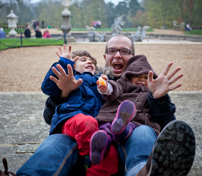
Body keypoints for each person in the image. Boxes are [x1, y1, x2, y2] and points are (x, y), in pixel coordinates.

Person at [3, 35, 194, 176]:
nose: (118, 55)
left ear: (133, 57)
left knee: (143, 132)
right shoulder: (93, 80)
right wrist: (63, 94)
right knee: (59, 139)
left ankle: (144, 171)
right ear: (105, 57)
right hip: (90, 148)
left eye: (125, 51)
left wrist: (158, 98)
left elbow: (168, 123)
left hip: (128, 144)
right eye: (112, 51)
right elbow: (49, 118)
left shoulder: (146, 80)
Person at [41, 46, 119, 175]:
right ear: (72, 66)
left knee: (110, 153)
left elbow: (113, 99)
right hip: (71, 118)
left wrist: (107, 87)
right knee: (86, 123)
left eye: (92, 62)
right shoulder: (71, 78)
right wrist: (65, 63)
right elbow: (47, 88)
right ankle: (87, 159)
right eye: (83, 60)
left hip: (98, 125)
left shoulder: (100, 80)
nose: (89, 62)